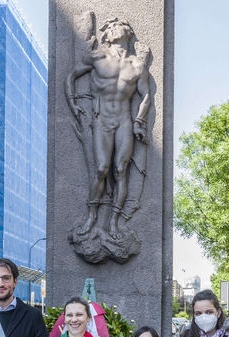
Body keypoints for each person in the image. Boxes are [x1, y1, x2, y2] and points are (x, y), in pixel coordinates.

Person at [65, 17, 152, 238]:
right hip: (102, 120)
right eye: (108, 28)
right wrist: (73, 104)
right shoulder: (97, 56)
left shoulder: (137, 65)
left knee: (121, 170)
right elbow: (71, 77)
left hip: (124, 121)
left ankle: (113, 222)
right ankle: (91, 216)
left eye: (116, 25)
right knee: (102, 168)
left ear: (128, 31)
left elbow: (146, 95)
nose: (112, 29)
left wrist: (139, 121)